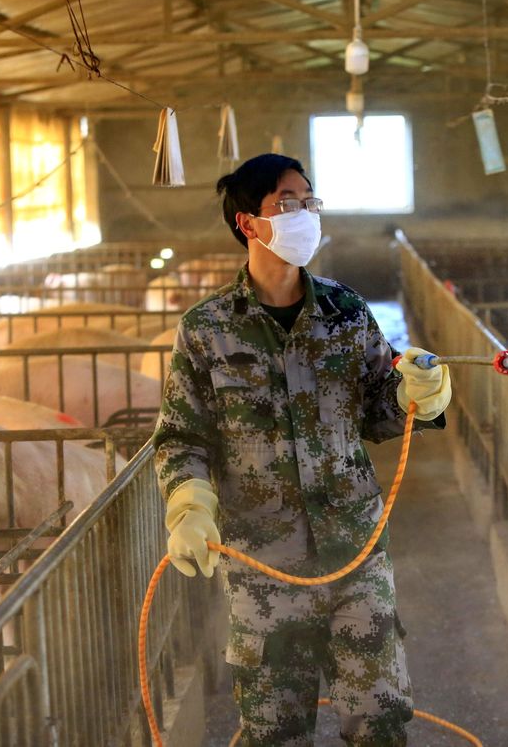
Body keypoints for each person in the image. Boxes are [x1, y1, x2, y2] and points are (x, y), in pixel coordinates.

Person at [152, 153, 452, 746]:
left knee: (380, 722)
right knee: (275, 729)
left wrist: (422, 397)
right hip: (265, 564)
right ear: (249, 223)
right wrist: (189, 506)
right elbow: (183, 436)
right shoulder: (206, 329)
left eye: (309, 202)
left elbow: (379, 411)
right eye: (288, 203)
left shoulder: (346, 312)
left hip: (356, 552)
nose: (305, 215)